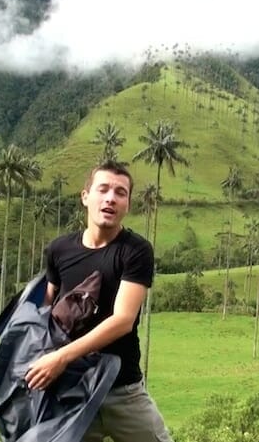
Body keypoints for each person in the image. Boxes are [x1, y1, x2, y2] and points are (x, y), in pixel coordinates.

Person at [24, 160, 171, 442]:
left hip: (122, 391)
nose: (110, 198)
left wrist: (60, 358)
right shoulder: (59, 250)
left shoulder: (135, 251)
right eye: (103, 189)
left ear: (128, 204)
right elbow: (44, 312)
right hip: (71, 392)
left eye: (120, 192)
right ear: (85, 197)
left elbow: (122, 320)